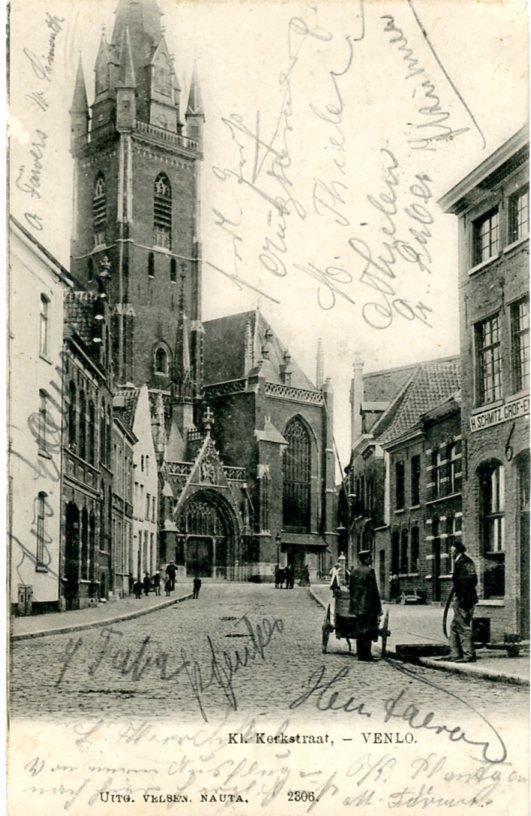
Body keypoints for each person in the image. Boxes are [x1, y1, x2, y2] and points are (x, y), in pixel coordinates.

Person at [349, 550, 382, 661]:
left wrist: (353, 604)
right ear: (365, 559)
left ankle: (360, 654)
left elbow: (351, 590)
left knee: (360, 629)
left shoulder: (353, 572)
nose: (371, 559)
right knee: (367, 631)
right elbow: (374, 591)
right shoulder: (370, 571)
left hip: (357, 606)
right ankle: (366, 655)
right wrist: (379, 608)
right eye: (369, 558)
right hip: (368, 606)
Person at [448, 540, 478, 663]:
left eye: (451, 550)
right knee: (454, 626)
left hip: (464, 600)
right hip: (463, 598)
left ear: (456, 550)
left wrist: (461, 598)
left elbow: (471, 581)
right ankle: (455, 654)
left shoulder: (463, 562)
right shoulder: (462, 561)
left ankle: (468, 655)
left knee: (463, 626)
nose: (450, 552)